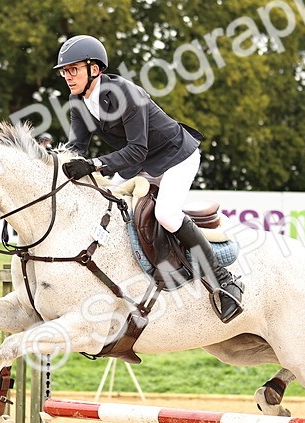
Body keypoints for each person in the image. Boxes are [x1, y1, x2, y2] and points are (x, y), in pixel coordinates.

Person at [54, 34, 243, 322]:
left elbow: (136, 149)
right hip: (140, 162)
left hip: (176, 156)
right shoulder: (77, 100)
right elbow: (76, 147)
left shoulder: (125, 94)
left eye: (73, 69)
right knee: (111, 207)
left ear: (95, 69)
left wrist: (93, 164)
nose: (68, 76)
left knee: (166, 214)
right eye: (65, 71)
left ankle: (225, 281)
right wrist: (55, 158)